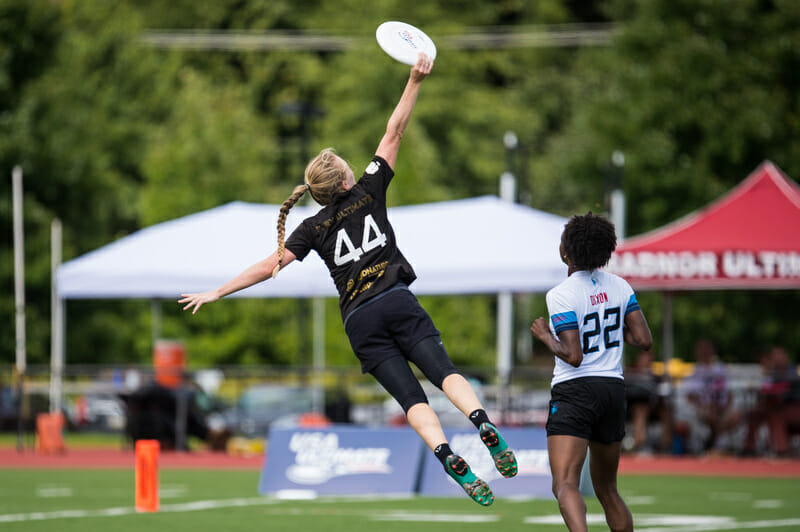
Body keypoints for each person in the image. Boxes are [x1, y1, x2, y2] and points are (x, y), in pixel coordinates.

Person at [179, 53, 516, 506]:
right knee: (443, 373)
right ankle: (480, 421)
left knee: (411, 400)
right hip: (396, 299)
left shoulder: (309, 227)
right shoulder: (368, 191)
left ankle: (444, 453)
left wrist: (217, 290)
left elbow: (267, 266)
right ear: (341, 180)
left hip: (360, 321)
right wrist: (414, 79)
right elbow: (395, 130)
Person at [530, 212, 652, 532]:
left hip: (576, 390)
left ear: (568, 251)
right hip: (613, 389)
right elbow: (643, 339)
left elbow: (572, 355)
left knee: (565, 484)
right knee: (608, 490)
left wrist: (544, 336)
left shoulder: (561, 293)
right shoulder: (620, 286)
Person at [680, 338, 740, 453]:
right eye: (702, 350)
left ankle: (712, 443)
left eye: (707, 349)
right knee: (711, 414)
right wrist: (703, 407)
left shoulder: (721, 369)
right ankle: (716, 445)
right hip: (704, 408)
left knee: (736, 415)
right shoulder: (694, 372)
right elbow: (690, 396)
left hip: (722, 408)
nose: (705, 353)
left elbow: (730, 393)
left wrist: (726, 408)